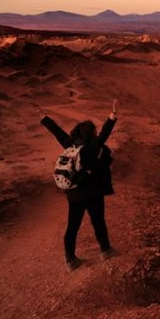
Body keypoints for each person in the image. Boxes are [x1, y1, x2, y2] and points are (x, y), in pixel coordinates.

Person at [40, 100, 119, 272]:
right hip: (92, 193)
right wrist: (112, 116)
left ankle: (70, 260)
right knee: (98, 221)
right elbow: (105, 133)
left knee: (72, 226)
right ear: (91, 134)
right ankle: (105, 250)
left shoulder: (70, 144)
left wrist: (45, 118)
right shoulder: (92, 147)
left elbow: (57, 132)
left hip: (73, 193)